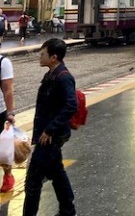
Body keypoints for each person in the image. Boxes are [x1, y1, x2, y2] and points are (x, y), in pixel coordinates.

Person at [23, 38, 78, 216]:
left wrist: (49, 130)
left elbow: (71, 105)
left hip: (50, 136)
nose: (40, 57)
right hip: (47, 134)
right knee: (56, 172)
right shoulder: (51, 75)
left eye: (43, 54)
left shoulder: (63, 78)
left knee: (33, 181)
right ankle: (68, 210)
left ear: (54, 57)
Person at [0, 52, 15, 193]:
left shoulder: (3, 62)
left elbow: (7, 90)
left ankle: (8, 175)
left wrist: (10, 112)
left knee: (3, 148)